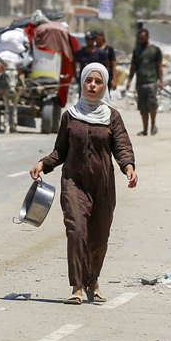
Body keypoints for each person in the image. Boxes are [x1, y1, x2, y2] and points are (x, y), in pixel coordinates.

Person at [30, 63, 137, 305]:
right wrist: (43, 164)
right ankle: (77, 287)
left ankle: (93, 280)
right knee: (77, 230)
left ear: (104, 86)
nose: (92, 85)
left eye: (98, 82)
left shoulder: (112, 116)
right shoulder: (70, 116)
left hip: (103, 185)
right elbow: (60, 150)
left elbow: (121, 146)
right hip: (74, 181)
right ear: (82, 83)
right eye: (89, 81)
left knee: (99, 237)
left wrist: (128, 167)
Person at [124, 28, 163, 136]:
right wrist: (129, 80)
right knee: (143, 107)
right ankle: (145, 129)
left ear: (147, 37)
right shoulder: (137, 51)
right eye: (139, 38)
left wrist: (161, 81)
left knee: (152, 103)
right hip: (140, 82)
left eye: (142, 38)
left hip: (151, 81)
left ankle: (153, 125)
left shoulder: (155, 50)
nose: (140, 40)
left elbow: (159, 66)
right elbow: (133, 67)